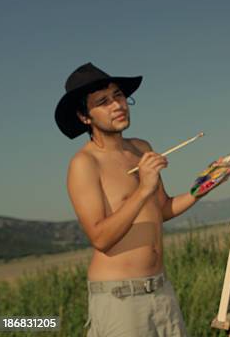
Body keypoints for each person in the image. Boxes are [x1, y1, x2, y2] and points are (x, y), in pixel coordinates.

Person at [55, 63, 207, 336]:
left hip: (161, 290)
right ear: (84, 116)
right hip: (120, 300)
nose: (117, 105)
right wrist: (143, 189)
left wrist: (200, 188)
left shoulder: (141, 148)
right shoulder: (84, 163)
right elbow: (100, 238)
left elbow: (161, 209)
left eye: (119, 96)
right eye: (103, 101)